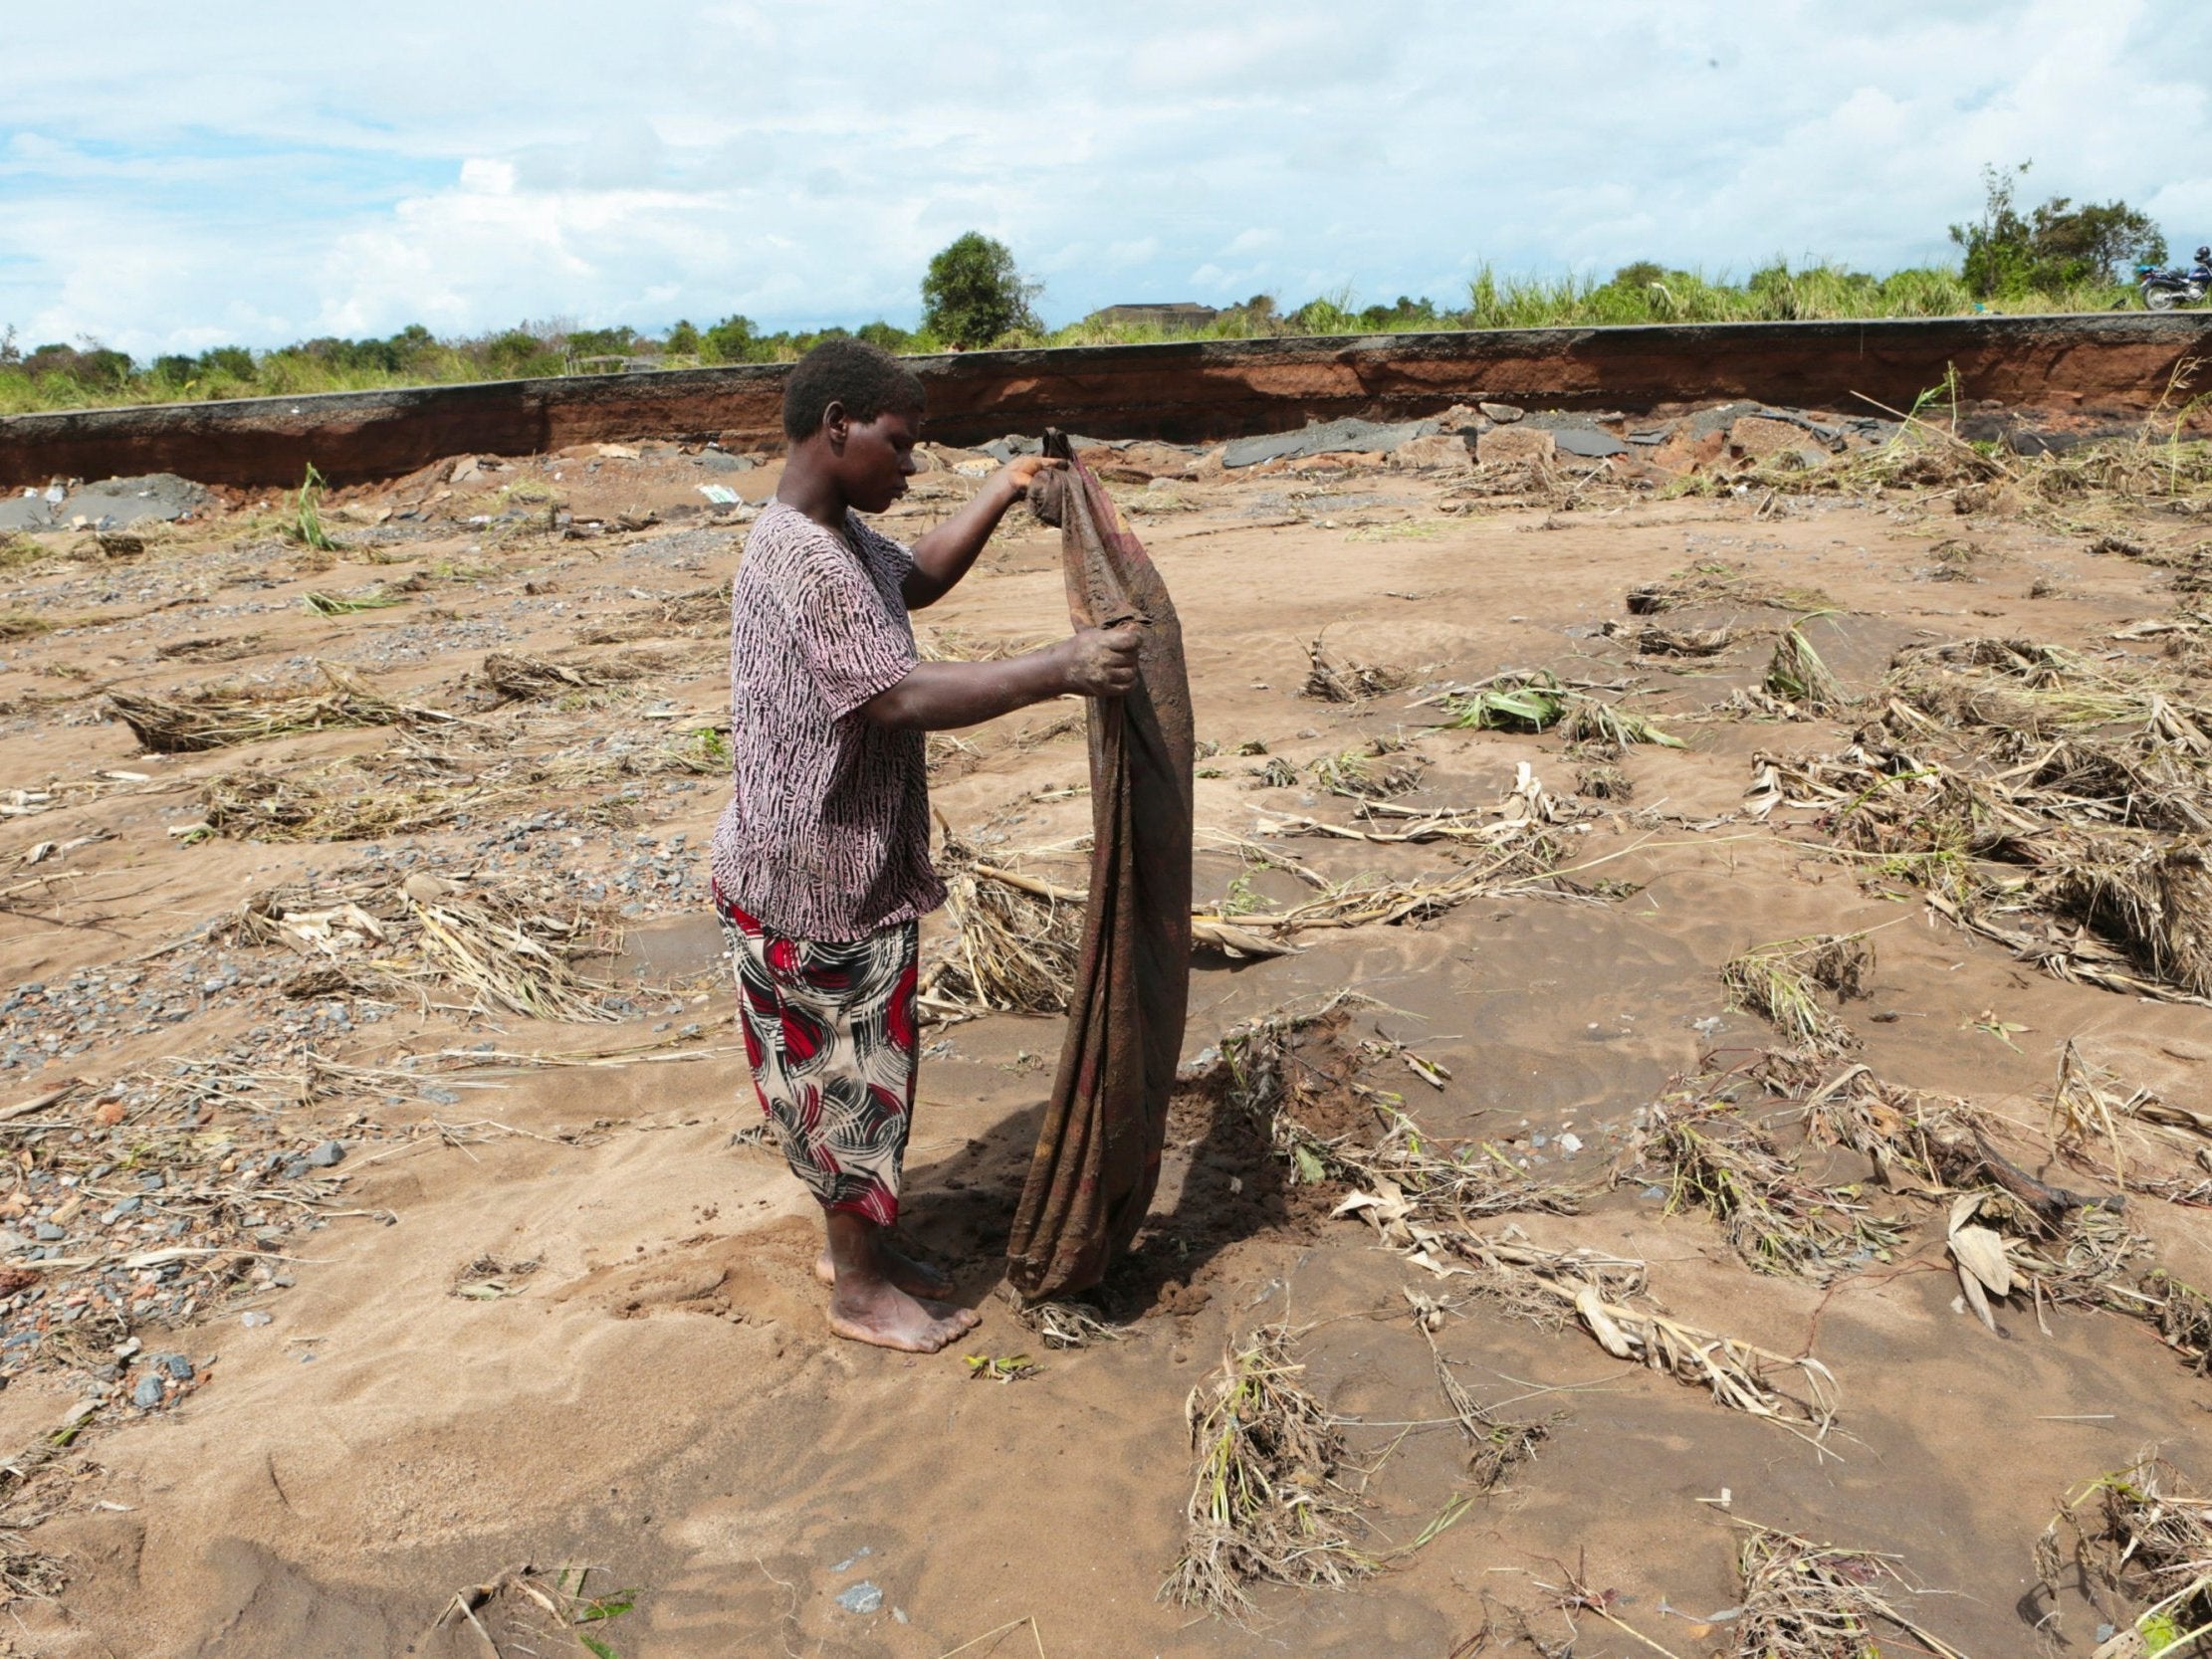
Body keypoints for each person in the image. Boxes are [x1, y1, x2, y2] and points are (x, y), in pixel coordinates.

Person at [708, 337, 1140, 1353]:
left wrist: (1001, 489)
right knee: (844, 1082)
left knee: (860, 1069)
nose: (910, 466)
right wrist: (1063, 665)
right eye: (901, 444)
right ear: (838, 426)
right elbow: (896, 695)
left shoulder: (838, 537)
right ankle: (856, 1287)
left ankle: (864, 1246)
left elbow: (921, 579)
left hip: (828, 865)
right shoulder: (805, 558)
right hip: (811, 880)